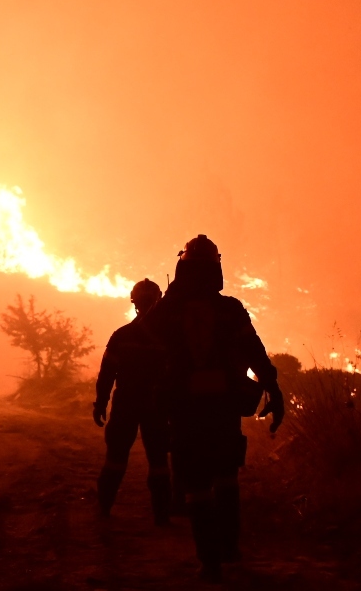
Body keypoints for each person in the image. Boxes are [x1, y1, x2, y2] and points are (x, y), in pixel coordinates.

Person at [144, 235, 284, 582]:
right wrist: (274, 390)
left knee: (196, 486)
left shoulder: (167, 310)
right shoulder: (230, 309)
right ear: (217, 270)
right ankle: (230, 549)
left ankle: (210, 562)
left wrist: (173, 291)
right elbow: (256, 353)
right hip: (222, 410)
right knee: (225, 478)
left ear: (182, 268)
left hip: (186, 410)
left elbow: (149, 338)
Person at [93, 278, 171, 525]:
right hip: (157, 405)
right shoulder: (170, 338)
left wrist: (100, 402)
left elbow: (107, 374)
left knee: (116, 458)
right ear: (159, 301)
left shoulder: (121, 335)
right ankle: (162, 515)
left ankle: (104, 508)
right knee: (159, 460)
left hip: (126, 402)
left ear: (134, 302)